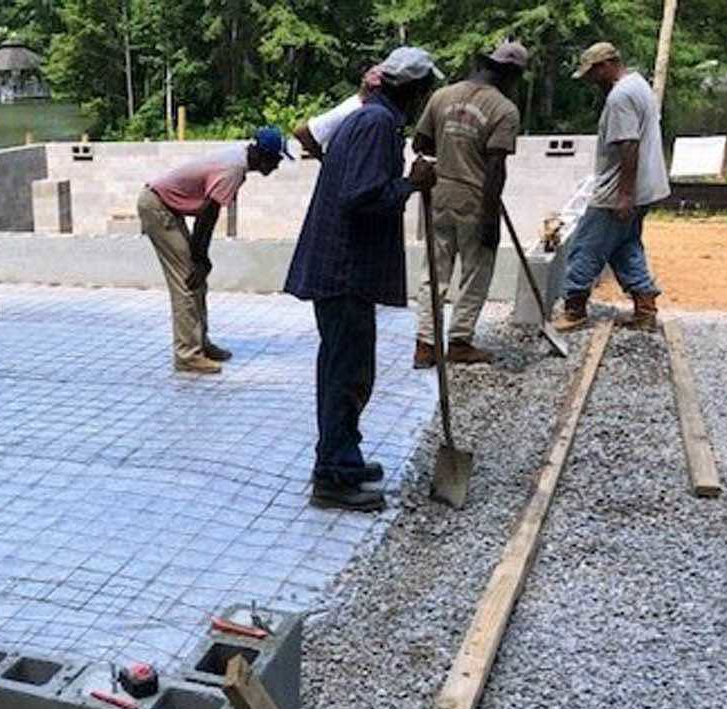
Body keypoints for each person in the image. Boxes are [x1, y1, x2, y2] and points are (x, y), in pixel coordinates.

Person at [285, 46, 441, 512]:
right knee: (347, 375)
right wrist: (411, 183)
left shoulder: (370, 119)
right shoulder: (375, 125)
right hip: (343, 271)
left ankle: (337, 460)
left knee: (342, 371)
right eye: (425, 91)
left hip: (340, 269)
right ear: (412, 90)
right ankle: (335, 475)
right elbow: (360, 196)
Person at [410, 41, 529, 367]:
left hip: (438, 195)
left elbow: (420, 143)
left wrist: (450, 145)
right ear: (510, 74)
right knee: (476, 272)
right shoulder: (504, 110)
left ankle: (425, 344)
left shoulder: (441, 96)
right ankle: (460, 342)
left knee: (434, 272)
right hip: (475, 199)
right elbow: (495, 168)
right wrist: (491, 220)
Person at [138, 127, 290, 374]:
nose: (277, 166)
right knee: (187, 281)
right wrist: (200, 258)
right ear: (263, 156)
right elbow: (207, 216)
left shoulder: (238, 159)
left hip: (166, 206)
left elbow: (207, 214)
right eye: (277, 160)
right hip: (157, 206)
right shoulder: (233, 169)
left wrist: (202, 260)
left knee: (197, 278)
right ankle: (187, 355)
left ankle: (199, 343)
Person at [553, 42, 671, 332]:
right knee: (624, 246)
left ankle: (575, 309)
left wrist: (624, 195)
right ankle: (645, 308)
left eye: (592, 74)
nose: (591, 82)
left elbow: (629, 144)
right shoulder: (639, 84)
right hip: (645, 187)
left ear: (605, 66)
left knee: (585, 248)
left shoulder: (620, 97)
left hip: (618, 191)